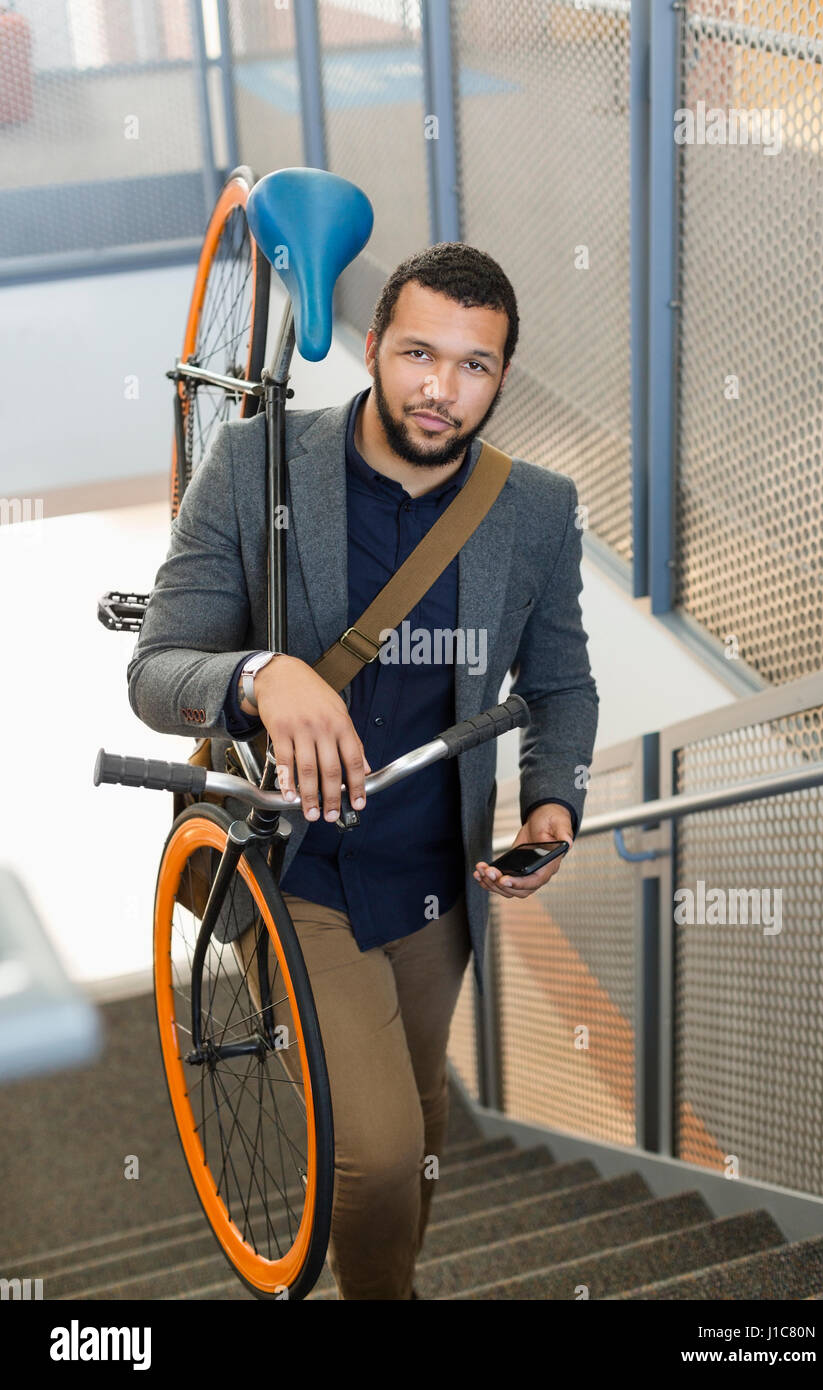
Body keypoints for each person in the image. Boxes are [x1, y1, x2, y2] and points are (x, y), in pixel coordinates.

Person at [127, 241, 599, 1299]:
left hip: (430, 876)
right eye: (418, 353)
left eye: (472, 365)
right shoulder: (255, 466)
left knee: (422, 1115)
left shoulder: (533, 508)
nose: (441, 389)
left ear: (501, 377)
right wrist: (259, 674)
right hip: (290, 864)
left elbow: (560, 686)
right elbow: (156, 675)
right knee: (379, 1151)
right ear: (374, 346)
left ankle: (383, 1272)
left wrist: (552, 807)